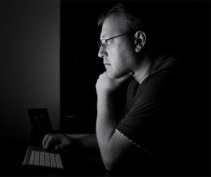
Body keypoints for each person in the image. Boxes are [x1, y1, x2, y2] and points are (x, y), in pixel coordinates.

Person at [42, 3, 190, 176]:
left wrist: (103, 92)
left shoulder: (163, 83)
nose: (100, 53)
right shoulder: (137, 82)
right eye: (100, 43)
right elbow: (120, 137)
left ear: (138, 41)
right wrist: (76, 143)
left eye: (108, 42)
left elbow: (111, 160)